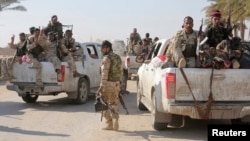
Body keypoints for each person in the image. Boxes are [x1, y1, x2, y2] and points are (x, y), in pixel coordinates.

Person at [97, 40, 123, 131]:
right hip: (116, 84)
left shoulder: (106, 58)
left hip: (108, 85)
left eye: (103, 49)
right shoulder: (118, 57)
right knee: (114, 103)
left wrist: (101, 87)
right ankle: (115, 119)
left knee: (103, 104)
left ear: (107, 48)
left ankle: (109, 123)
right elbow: (121, 72)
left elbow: (104, 74)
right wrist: (119, 84)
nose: (101, 50)